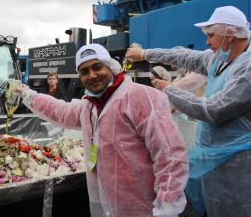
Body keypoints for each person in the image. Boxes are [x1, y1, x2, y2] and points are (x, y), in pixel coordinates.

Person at [15, 43, 188, 217]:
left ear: (111, 66)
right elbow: (61, 111)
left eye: (97, 67)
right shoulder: (90, 106)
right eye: (84, 72)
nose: (92, 75)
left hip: (144, 208)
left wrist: (167, 206)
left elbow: (170, 155)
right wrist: (27, 95)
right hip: (107, 207)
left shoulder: (141, 97)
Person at [125, 5, 251, 216]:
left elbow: (213, 110)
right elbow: (184, 56)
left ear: (230, 35)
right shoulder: (218, 60)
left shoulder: (247, 70)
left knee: (235, 207)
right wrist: (145, 53)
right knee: (214, 206)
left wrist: (170, 89)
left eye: (211, 35)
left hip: (238, 164)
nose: (207, 42)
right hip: (214, 156)